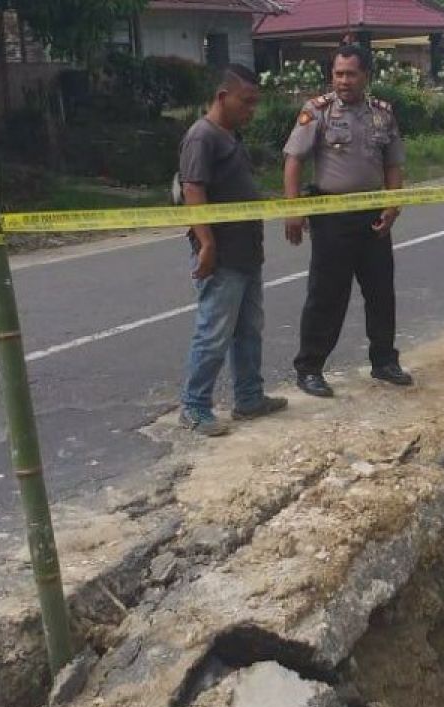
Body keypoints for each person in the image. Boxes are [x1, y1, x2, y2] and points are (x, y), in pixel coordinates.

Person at [282, 42, 413, 398]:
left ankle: (384, 361)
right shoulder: (318, 111)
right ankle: (309, 369)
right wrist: (293, 208)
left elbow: (393, 165)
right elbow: (293, 159)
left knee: (381, 292)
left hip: (372, 218)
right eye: (338, 73)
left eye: (351, 73)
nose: (343, 80)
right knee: (326, 295)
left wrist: (392, 205)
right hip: (332, 217)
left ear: (365, 76)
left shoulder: (383, 114)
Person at [177, 63, 287, 436]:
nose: (251, 110)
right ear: (223, 97)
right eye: (246, 101)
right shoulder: (201, 137)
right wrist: (206, 243)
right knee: (214, 332)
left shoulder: (229, 136)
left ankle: (249, 397)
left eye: (255, 103)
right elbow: (194, 190)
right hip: (222, 256)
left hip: (246, 253)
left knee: (248, 329)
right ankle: (194, 406)